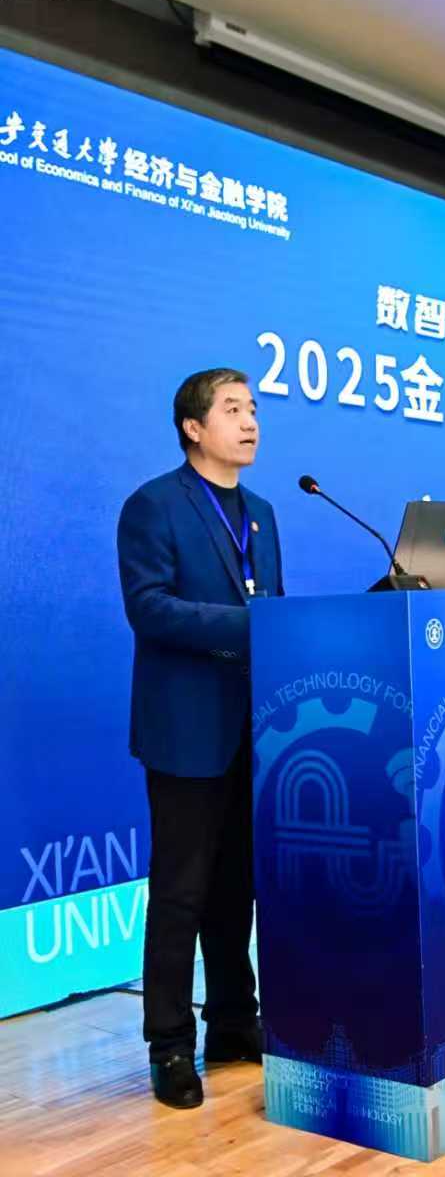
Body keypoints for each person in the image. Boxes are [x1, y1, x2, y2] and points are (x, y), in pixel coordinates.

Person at [116, 367, 283, 1109]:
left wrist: (282, 629)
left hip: (256, 726)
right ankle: (169, 1045)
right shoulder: (154, 505)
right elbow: (149, 608)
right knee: (181, 892)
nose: (249, 422)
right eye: (232, 409)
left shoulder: (264, 513)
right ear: (193, 427)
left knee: (237, 888)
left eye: (253, 409)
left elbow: (272, 608)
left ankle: (234, 1022)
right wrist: (253, 627)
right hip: (186, 729)